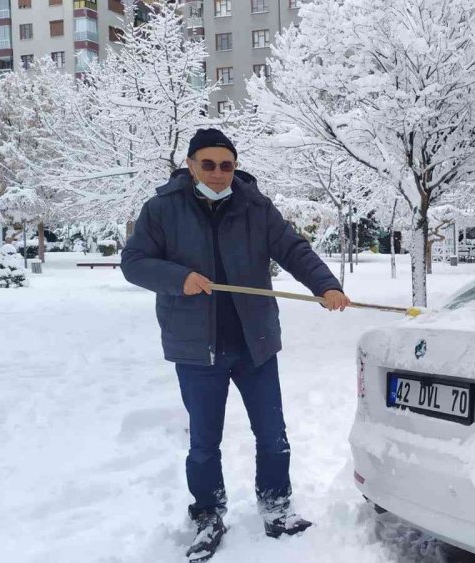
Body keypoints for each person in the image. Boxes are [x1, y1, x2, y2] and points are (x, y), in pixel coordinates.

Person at [121, 128, 351, 562]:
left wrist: (325, 284)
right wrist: (178, 279)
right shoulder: (161, 210)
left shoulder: (255, 206)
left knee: (272, 433)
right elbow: (133, 263)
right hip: (196, 348)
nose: (219, 173)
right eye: (208, 164)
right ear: (190, 166)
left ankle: (277, 507)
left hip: (254, 344)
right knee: (204, 442)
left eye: (226, 164)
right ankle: (208, 515)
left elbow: (293, 249)